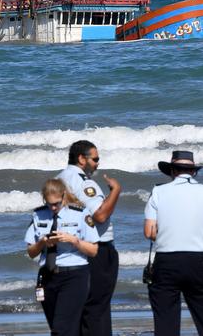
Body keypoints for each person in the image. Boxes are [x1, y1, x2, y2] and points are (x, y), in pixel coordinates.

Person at [144, 150, 203, 336]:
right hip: (199, 261)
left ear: (172, 170)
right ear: (194, 171)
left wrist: (171, 231)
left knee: (166, 320)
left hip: (167, 261)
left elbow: (149, 232)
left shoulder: (158, 191)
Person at [56, 140, 121, 336]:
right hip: (96, 249)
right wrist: (116, 191)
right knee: (97, 309)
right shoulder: (83, 182)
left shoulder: (58, 179)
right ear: (81, 159)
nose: (98, 163)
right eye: (95, 159)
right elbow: (100, 214)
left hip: (71, 250)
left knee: (78, 309)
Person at [24, 179, 100, 336]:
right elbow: (31, 252)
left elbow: (93, 250)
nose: (53, 208)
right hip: (48, 276)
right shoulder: (39, 215)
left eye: (57, 203)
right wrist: (43, 242)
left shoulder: (80, 214)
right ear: (44, 199)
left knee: (61, 329)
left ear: (63, 196)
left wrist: (74, 240)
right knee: (60, 328)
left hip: (74, 275)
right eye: (50, 204)